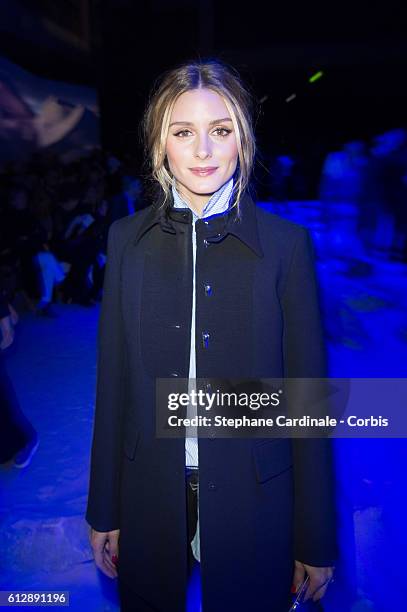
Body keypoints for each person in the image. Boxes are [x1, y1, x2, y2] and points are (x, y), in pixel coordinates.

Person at [86, 60, 337, 612]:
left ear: (242, 141)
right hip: (148, 492)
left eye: (220, 130)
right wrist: (103, 508)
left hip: (257, 499)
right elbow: (114, 384)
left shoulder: (286, 247)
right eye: (183, 132)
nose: (203, 150)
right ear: (160, 144)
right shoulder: (126, 240)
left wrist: (315, 537)